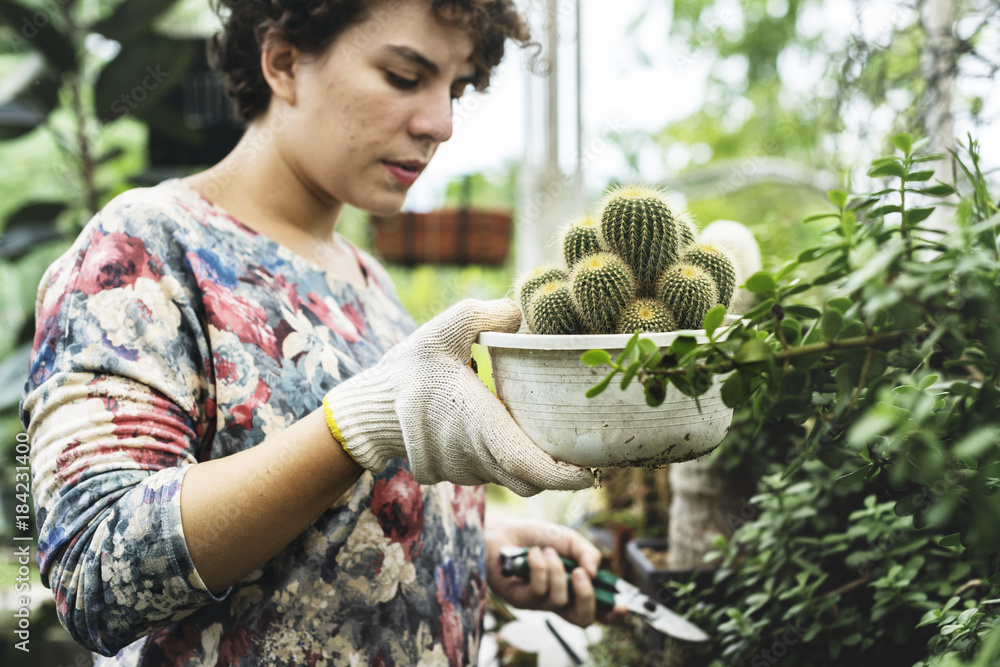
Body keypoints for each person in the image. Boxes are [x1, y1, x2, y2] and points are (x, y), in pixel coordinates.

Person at [19, 0, 627, 665]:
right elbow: (97, 575)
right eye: (403, 77)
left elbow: (331, 521)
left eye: (454, 88)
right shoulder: (144, 247)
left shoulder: (370, 284)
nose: (440, 124)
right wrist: (355, 425)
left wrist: (480, 539)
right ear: (283, 63)